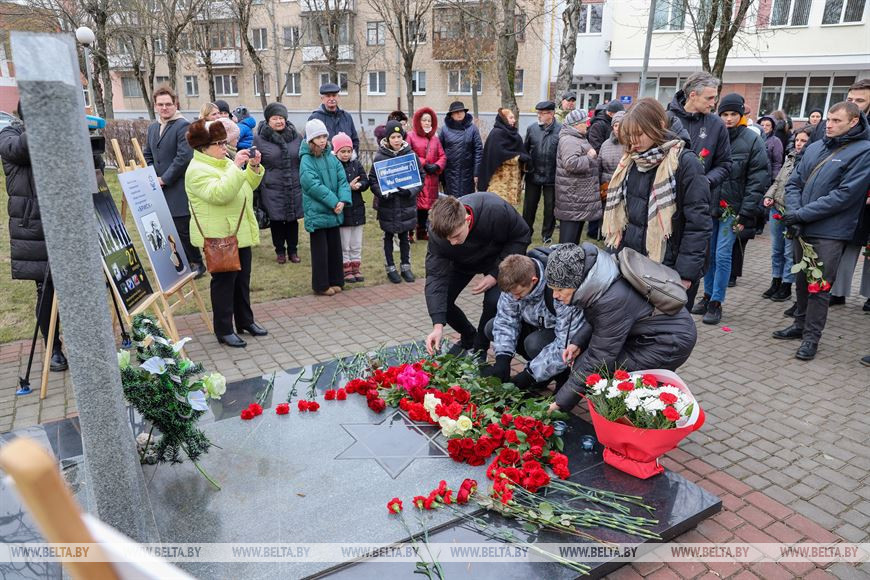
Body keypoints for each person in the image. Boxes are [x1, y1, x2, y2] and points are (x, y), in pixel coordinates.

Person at [545, 243, 698, 412]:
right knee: (596, 369)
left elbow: (599, 358)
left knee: (617, 377)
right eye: (552, 289)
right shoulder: (598, 277)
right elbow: (600, 317)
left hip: (668, 341)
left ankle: (648, 419)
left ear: (578, 282)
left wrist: (560, 403)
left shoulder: (611, 298)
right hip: (651, 331)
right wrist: (578, 342)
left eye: (560, 289)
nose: (555, 296)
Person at [774, 101, 870, 361]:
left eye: (837, 120)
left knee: (819, 286)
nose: (829, 124)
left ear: (853, 122)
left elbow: (845, 195)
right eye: (829, 119)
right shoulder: (816, 146)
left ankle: (811, 338)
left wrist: (800, 214)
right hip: (802, 225)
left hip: (830, 231)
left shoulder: (864, 151)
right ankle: (799, 324)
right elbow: (794, 182)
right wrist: (794, 212)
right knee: (802, 280)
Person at [602, 98, 712, 296]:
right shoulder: (631, 161)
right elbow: (626, 216)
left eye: (639, 134)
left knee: (668, 326)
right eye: (628, 135)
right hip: (634, 265)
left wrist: (685, 275)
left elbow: (698, 223)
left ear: (659, 126)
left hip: (670, 268)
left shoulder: (685, 163)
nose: (633, 141)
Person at [184, 119, 266, 348]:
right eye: (218, 143)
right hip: (218, 236)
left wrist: (253, 167)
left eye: (223, 142)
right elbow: (220, 194)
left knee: (242, 280)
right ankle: (224, 329)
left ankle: (245, 321)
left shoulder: (224, 162)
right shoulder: (196, 170)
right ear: (203, 147)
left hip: (238, 231)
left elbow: (247, 185)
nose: (224, 147)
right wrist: (237, 168)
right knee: (224, 284)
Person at [0, 102, 68, 371]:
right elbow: (21, 150)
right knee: (46, 291)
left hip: (65, 224)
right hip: (34, 228)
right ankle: (53, 347)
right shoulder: (9, 136)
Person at [691, 93, 767, 325]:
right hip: (709, 205)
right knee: (709, 255)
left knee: (723, 254)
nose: (729, 119)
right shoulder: (713, 136)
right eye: (724, 114)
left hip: (733, 209)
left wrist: (746, 212)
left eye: (734, 114)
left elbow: (758, 178)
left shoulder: (752, 140)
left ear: (742, 115)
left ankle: (717, 301)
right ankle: (707, 295)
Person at [424, 193, 531, 356]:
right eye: (448, 239)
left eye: (456, 236)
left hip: (499, 259)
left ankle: (480, 347)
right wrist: (437, 326)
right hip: (461, 263)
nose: (453, 243)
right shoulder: (438, 235)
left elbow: (521, 235)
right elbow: (435, 277)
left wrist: (495, 274)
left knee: (493, 301)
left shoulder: (495, 209)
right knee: (442, 302)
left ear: (467, 220)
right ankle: (469, 336)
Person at [666, 72, 732, 308]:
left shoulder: (716, 125)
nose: (714, 103)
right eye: (710, 98)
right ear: (692, 95)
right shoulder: (666, 119)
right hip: (665, 208)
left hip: (698, 208)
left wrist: (704, 181)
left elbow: (725, 164)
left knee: (690, 267)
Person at [483, 253, 584, 389]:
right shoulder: (513, 281)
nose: (515, 298)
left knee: (534, 343)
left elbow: (565, 343)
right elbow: (505, 321)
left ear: (534, 280)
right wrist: (503, 359)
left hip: (564, 335)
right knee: (491, 327)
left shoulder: (559, 290)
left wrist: (529, 375)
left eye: (519, 294)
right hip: (536, 325)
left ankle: (562, 377)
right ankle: (542, 373)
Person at [143, 85, 204, 278]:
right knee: (166, 228)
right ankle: (180, 262)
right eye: (160, 104)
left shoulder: (182, 126)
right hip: (158, 187)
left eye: (168, 104)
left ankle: (197, 263)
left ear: (175, 104)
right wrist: (153, 176)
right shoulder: (153, 127)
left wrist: (165, 179)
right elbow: (148, 154)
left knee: (182, 228)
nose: (164, 108)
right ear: (155, 105)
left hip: (178, 187)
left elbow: (184, 157)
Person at [828, 80, 870, 306]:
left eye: (860, 101)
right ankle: (838, 291)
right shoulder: (837, 126)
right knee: (846, 245)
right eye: (850, 99)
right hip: (848, 197)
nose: (854, 104)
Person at [300, 118, 352, 296]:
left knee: (334, 248)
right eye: (318, 137)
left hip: (334, 210)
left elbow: (342, 180)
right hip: (318, 212)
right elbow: (312, 185)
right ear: (310, 139)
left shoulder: (331, 157)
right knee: (320, 252)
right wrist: (333, 202)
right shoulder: (306, 160)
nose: (322, 140)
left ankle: (337, 280)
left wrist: (343, 201)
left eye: (324, 136)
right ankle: (321, 285)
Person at [762, 127, 811, 303]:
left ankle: (786, 285)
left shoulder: (809, 161)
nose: (799, 144)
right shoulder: (790, 157)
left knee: (789, 252)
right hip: (777, 208)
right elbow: (778, 181)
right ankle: (775, 280)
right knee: (777, 249)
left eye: (804, 141)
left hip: (792, 212)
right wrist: (769, 196)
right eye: (797, 140)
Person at [369, 121, 422, 284]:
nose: (397, 140)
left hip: (406, 205)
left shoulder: (410, 155)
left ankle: (406, 266)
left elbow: (420, 177)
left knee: (405, 236)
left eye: (399, 136)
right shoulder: (380, 157)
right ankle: (390, 267)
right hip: (388, 206)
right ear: (387, 138)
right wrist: (383, 193)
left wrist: (410, 191)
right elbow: (373, 180)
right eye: (393, 137)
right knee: (388, 236)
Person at [253, 102, 303, 265]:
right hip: (272, 187)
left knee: (292, 220)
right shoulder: (260, 139)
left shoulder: (297, 137)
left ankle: (293, 251)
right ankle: (280, 251)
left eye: (281, 118)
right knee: (277, 220)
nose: (279, 121)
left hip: (294, 185)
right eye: (275, 118)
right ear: (268, 120)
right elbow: (255, 163)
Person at [555, 109, 600, 245]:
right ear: (575, 125)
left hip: (576, 199)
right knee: (567, 243)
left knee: (573, 243)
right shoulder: (569, 140)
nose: (587, 125)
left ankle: (570, 264)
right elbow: (571, 164)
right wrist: (590, 157)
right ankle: (562, 265)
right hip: (572, 200)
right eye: (584, 122)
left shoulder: (577, 137)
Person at [523, 100, 561, 244]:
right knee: (529, 206)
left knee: (550, 208)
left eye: (542, 113)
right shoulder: (531, 129)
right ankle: (526, 231)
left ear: (551, 114)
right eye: (538, 113)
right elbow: (525, 150)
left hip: (552, 176)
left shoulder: (561, 130)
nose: (539, 116)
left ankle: (547, 234)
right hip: (533, 175)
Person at [333, 132, 368, 283]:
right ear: (336, 152)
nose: (346, 154)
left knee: (356, 242)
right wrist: (348, 187)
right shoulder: (334, 166)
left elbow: (365, 180)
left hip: (358, 208)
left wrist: (359, 185)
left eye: (348, 151)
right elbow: (333, 186)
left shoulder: (356, 164)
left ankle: (356, 266)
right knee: (344, 243)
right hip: (344, 209)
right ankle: (345, 267)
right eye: (343, 151)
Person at [407, 107, 446, 241]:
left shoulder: (435, 139)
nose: (427, 123)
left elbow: (442, 156)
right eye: (424, 120)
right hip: (417, 177)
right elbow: (408, 153)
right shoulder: (411, 136)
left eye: (429, 120)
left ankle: (422, 231)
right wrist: (424, 163)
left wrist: (436, 166)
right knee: (414, 206)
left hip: (431, 178)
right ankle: (409, 233)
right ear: (419, 121)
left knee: (426, 208)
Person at [478, 107, 529, 205]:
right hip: (499, 180)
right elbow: (498, 154)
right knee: (498, 207)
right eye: (511, 118)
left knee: (510, 211)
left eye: (514, 118)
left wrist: (525, 160)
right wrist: (518, 157)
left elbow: (522, 152)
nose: (514, 120)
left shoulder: (515, 135)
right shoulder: (496, 134)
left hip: (513, 180)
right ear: (504, 119)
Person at [593, 110, 626, 240]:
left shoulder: (631, 143)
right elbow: (599, 165)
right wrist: (598, 183)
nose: (618, 128)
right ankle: (605, 235)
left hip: (622, 184)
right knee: (606, 213)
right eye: (616, 125)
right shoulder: (606, 144)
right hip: (606, 184)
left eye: (621, 125)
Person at [440, 101, 483, 197]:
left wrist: (476, 173)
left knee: (467, 202)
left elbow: (478, 151)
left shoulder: (473, 129)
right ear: (451, 115)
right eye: (456, 112)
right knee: (451, 204)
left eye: (461, 111)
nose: (459, 114)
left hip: (468, 174)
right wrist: (440, 173)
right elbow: (440, 151)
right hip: (449, 174)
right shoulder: (444, 130)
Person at [809, 78, 869, 142]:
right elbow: (806, 150)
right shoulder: (822, 126)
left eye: (859, 101)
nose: (852, 104)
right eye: (849, 100)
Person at [308, 82, 359, 151]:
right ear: (322, 99)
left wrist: (352, 158)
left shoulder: (347, 117)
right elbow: (309, 143)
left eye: (334, 95)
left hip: (345, 161)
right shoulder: (314, 118)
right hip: (324, 160)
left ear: (338, 97)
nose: (331, 99)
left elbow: (355, 141)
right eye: (328, 96)